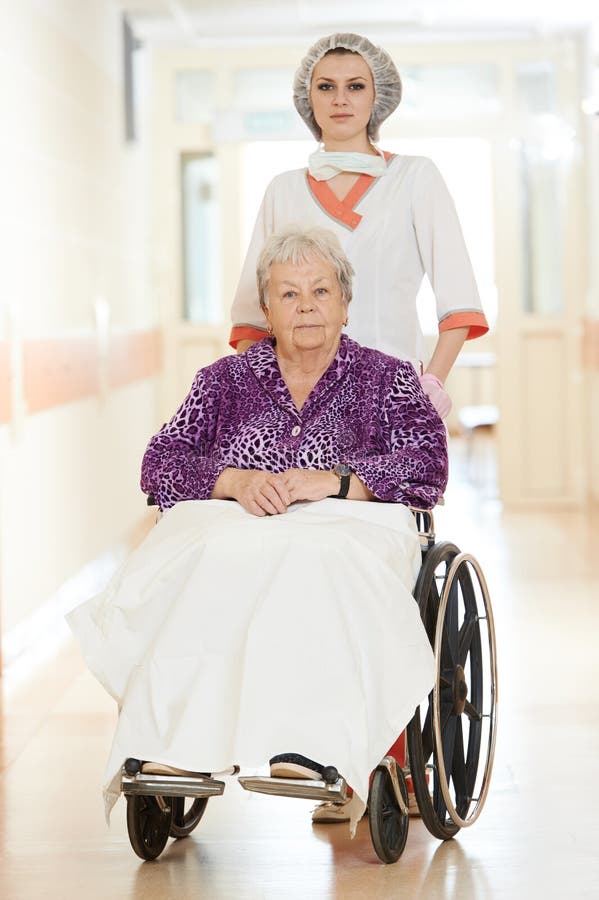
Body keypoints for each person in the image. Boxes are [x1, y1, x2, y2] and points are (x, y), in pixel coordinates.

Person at [68, 227, 448, 835]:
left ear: (346, 303)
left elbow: (428, 464)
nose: (306, 305)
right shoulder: (223, 381)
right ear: (266, 308)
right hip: (238, 525)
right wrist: (232, 480)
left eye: (321, 290)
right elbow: (160, 461)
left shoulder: (389, 379)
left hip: (347, 527)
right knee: (202, 558)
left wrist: (337, 482)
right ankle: (171, 739)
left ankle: (307, 743)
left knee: (313, 558)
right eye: (289, 293)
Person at [230, 33, 489, 419]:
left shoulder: (415, 177)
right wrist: (275, 396)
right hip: (304, 402)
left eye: (355, 86)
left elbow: (459, 303)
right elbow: (252, 318)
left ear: (376, 95)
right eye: (326, 87)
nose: (340, 99)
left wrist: (431, 382)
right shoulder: (282, 190)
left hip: (393, 394)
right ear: (308, 99)